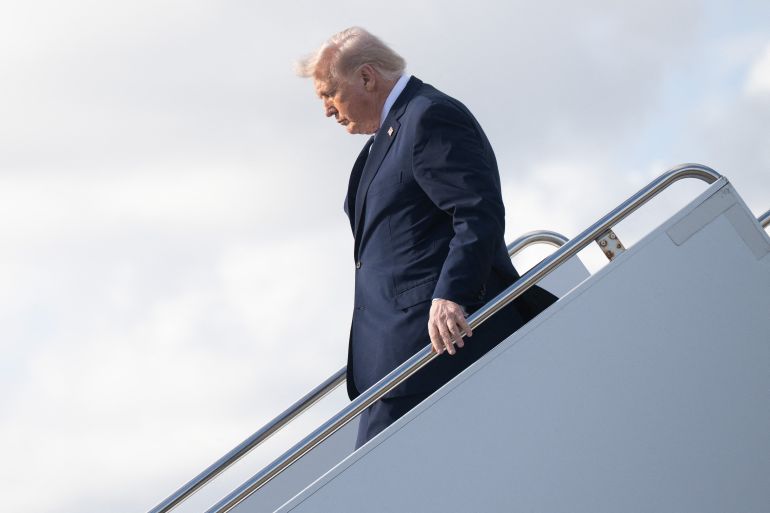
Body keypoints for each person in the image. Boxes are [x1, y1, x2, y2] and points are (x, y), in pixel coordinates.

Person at [297, 27, 556, 449]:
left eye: (329, 93)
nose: (327, 109)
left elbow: (476, 211)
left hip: (436, 351)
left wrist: (452, 293)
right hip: (395, 367)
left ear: (366, 78)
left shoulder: (428, 116)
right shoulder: (379, 145)